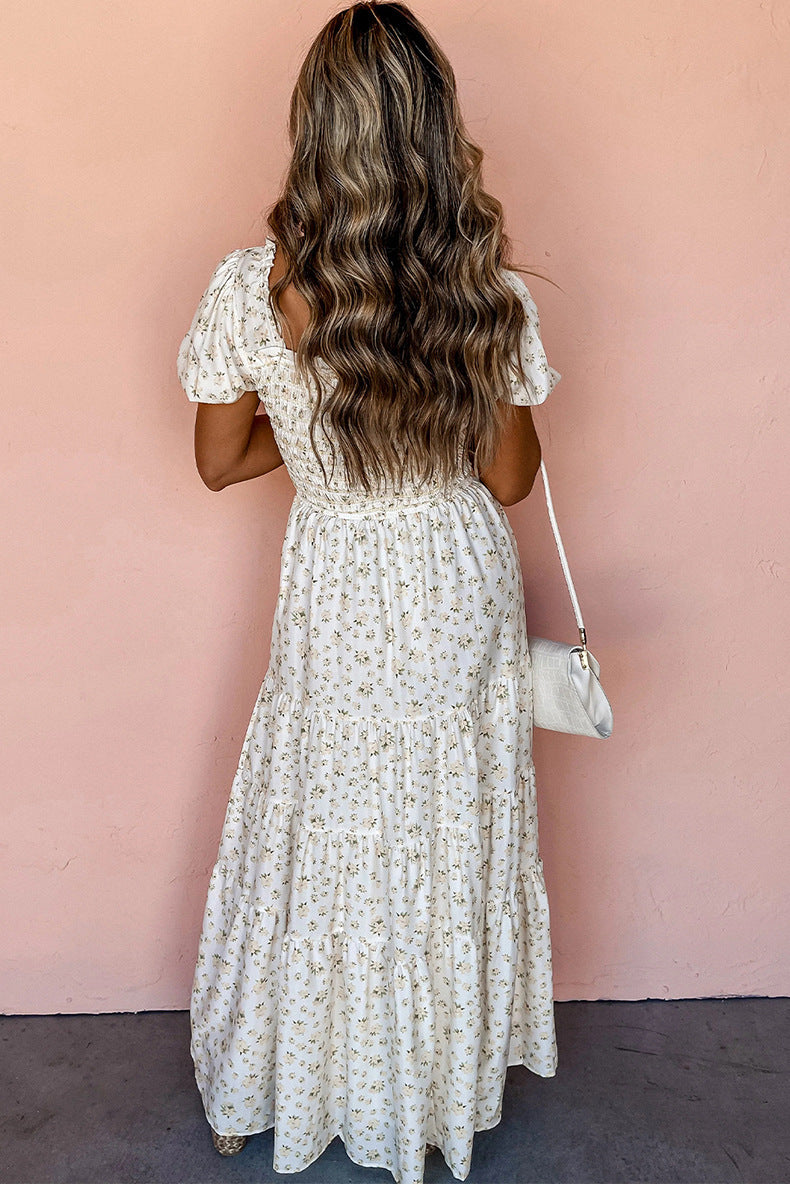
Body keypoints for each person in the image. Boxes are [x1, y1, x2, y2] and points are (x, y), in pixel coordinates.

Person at [176, 4, 561, 1182]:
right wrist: (408, 425)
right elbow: (507, 477)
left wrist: (319, 431)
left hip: (336, 574)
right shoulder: (481, 285)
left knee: (328, 821)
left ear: (312, 129)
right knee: (440, 825)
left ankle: (297, 1075)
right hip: (451, 580)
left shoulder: (253, 287)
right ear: (437, 133)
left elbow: (218, 461)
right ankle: (425, 1088)